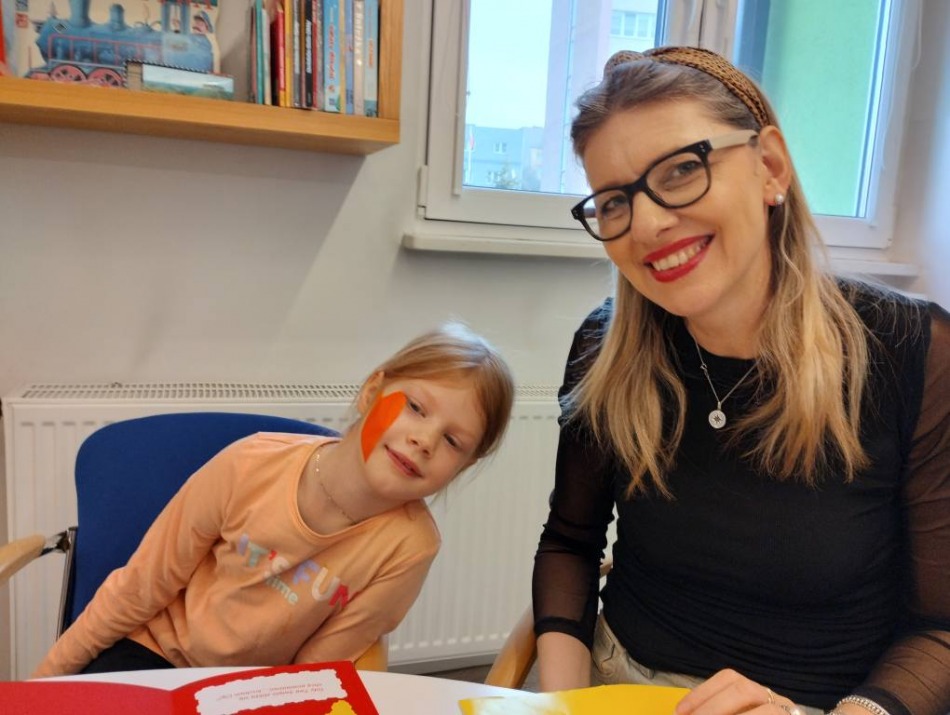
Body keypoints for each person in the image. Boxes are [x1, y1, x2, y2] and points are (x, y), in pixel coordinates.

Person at [532, 46, 949, 715]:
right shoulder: (604, 349)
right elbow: (569, 543)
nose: (647, 224)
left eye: (681, 170)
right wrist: (562, 703)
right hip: (619, 684)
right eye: (614, 201)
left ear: (770, 167)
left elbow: (940, 628)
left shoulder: (913, 350)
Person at [34, 322, 514, 677]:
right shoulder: (249, 463)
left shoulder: (410, 548)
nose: (425, 440)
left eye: (453, 441)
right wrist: (43, 682)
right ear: (372, 391)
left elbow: (318, 668)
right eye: (415, 407)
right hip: (153, 656)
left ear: (463, 467)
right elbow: (139, 588)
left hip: (255, 692)